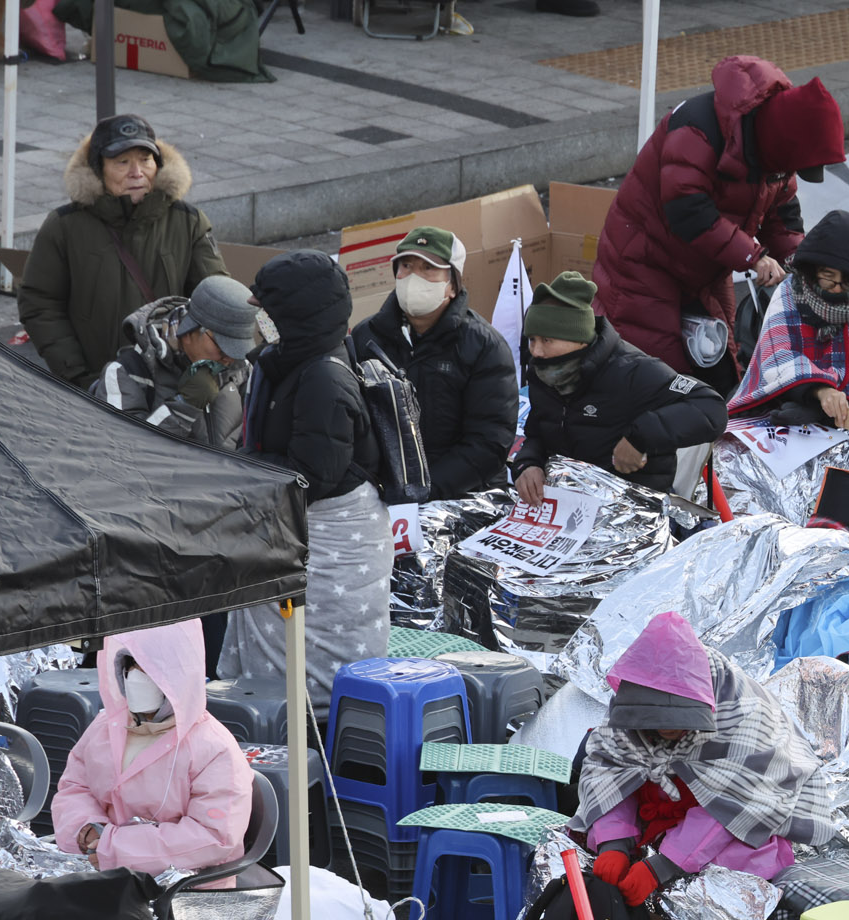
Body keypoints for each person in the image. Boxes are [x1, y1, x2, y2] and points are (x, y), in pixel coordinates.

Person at [593, 57, 845, 387]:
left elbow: (782, 215)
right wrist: (753, 256)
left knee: (722, 367)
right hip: (644, 261)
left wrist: (803, 265)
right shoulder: (698, 128)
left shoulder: (775, 153)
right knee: (659, 375)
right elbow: (688, 210)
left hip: (707, 264)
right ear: (783, 143)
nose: (793, 173)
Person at [221, 251, 390, 708]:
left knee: (315, 663)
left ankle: (311, 732)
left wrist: (239, 471)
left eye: (267, 309)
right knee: (274, 654)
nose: (260, 319)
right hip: (288, 526)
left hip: (332, 541)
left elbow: (312, 474)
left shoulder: (324, 380)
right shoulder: (285, 362)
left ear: (295, 314)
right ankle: (270, 718)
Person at [571, 612, 835, 905]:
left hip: (731, 828)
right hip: (656, 817)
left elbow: (737, 803)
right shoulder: (626, 713)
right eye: (655, 719)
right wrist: (614, 842)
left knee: (737, 866)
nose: (667, 727)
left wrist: (663, 866)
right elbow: (609, 772)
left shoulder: (747, 719)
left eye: (680, 718)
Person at [18, 113, 228, 390]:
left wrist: (198, 369)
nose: (137, 172)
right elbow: (40, 303)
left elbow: (216, 298)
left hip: (171, 382)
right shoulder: (65, 226)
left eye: (145, 160)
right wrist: (77, 374)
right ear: (98, 169)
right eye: (122, 162)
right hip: (95, 385)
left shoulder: (187, 221)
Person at [52, 620, 250, 873]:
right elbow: (75, 786)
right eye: (129, 667)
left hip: (183, 889)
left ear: (175, 678)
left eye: (146, 669)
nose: (134, 677)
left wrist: (116, 849)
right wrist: (86, 827)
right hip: (105, 875)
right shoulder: (106, 726)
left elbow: (213, 837)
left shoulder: (213, 749)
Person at [511, 271, 728, 500]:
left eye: (547, 340)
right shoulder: (543, 371)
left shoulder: (633, 371)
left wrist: (640, 437)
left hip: (633, 505)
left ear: (579, 339)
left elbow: (711, 407)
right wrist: (528, 463)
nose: (536, 351)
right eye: (532, 339)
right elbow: (538, 431)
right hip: (566, 501)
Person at [351, 226, 519, 500]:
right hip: (383, 493)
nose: (414, 277)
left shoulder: (485, 346)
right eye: (406, 266)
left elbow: (488, 444)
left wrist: (424, 491)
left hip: (463, 494)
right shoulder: (366, 337)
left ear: (452, 284)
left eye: (428, 269)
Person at [727, 210, 849, 435]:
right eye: (828, 277)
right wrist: (820, 391)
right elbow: (777, 354)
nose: (836, 288)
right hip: (795, 392)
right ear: (813, 270)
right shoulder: (792, 291)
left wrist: (840, 405)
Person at [93, 273, 258, 448]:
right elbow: (120, 452)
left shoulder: (243, 370)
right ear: (188, 331)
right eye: (222, 346)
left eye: (238, 349)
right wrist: (184, 407)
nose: (229, 358)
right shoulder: (126, 372)